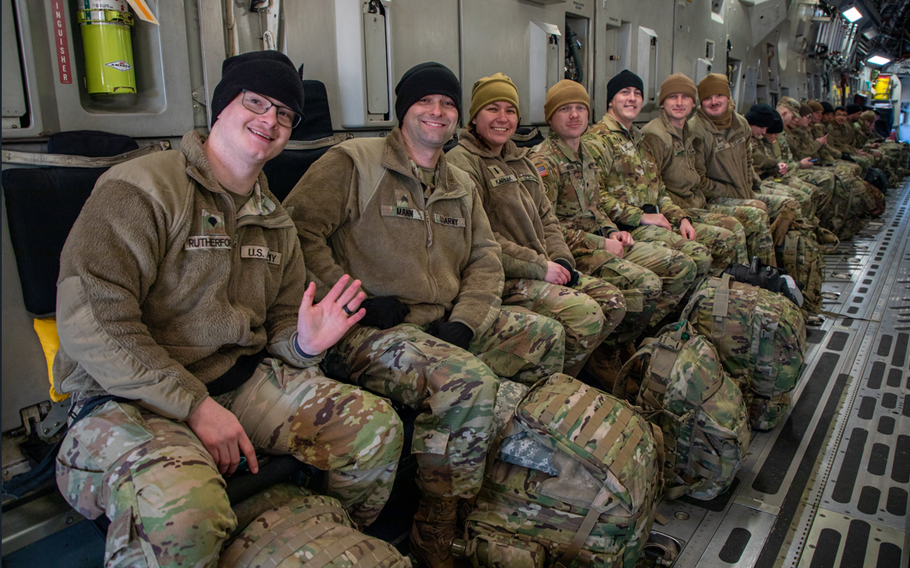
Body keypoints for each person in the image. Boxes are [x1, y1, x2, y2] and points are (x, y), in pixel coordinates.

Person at [53, 51, 404, 568]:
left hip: (235, 384)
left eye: (285, 113)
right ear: (221, 107)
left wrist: (305, 342)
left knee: (375, 430)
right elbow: (93, 321)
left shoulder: (275, 220)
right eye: (255, 102)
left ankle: (311, 541)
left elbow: (281, 325)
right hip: (122, 397)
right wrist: (195, 406)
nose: (270, 120)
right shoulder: (144, 188)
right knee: (185, 512)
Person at [283, 62, 567, 568]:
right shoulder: (353, 163)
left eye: (448, 104)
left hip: (442, 322)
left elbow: (485, 258)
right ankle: (436, 519)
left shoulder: (459, 181)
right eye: (425, 102)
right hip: (366, 327)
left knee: (546, 336)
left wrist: (467, 320)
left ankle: (492, 467)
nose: (437, 112)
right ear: (403, 110)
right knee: (465, 382)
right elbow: (296, 234)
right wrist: (355, 300)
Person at [445, 73, 626, 377]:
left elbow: (548, 218)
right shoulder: (462, 163)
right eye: (492, 109)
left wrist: (561, 258)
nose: (503, 118)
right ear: (474, 117)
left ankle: (572, 374)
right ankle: (546, 386)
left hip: (543, 265)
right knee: (586, 314)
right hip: (503, 275)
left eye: (510, 110)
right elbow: (482, 240)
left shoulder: (521, 161)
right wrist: (540, 266)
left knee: (613, 302)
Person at [530, 79, 700, 349]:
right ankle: (610, 351)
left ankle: (640, 340)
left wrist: (612, 230)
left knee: (683, 266)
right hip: (572, 253)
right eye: (564, 109)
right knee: (646, 284)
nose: (574, 115)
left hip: (603, 240)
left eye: (580, 108)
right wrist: (600, 242)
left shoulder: (584, 154)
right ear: (550, 119)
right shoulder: (543, 162)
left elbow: (596, 206)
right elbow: (544, 228)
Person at [585, 69, 717, 296]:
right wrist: (641, 216)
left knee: (705, 251)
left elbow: (660, 191)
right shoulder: (597, 140)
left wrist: (681, 218)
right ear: (610, 101)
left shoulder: (640, 141)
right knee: (696, 258)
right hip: (624, 229)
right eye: (624, 92)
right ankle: (656, 324)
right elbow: (595, 196)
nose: (632, 98)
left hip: (651, 222)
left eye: (637, 93)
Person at [642, 73, 774, 267]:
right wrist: (680, 217)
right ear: (662, 103)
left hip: (696, 202)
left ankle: (761, 277)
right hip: (680, 209)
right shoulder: (656, 135)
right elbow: (655, 190)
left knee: (756, 214)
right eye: (672, 97)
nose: (679, 102)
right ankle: (739, 286)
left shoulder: (686, 131)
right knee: (735, 229)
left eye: (685, 97)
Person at [687, 73, 801, 245]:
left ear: (728, 98)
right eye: (708, 98)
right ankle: (754, 267)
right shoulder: (696, 130)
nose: (714, 101)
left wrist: (748, 190)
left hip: (742, 192)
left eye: (719, 95)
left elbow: (748, 163)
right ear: (701, 102)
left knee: (789, 204)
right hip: (714, 198)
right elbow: (699, 182)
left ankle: (773, 261)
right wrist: (735, 193)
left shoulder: (740, 124)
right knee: (757, 213)